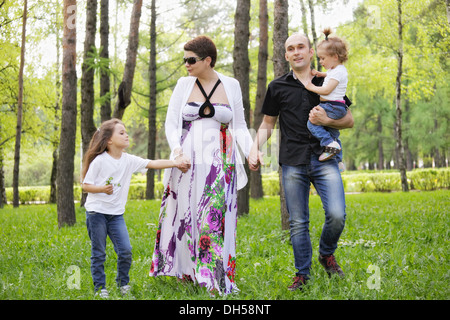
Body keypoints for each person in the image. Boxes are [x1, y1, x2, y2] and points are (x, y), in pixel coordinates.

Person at [248, 33, 354, 291]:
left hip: (324, 158)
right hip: (293, 161)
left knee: (337, 215)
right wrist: (253, 148)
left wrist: (326, 121)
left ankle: (326, 253)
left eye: (301, 47)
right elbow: (268, 123)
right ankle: (302, 274)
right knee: (298, 223)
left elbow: (348, 119)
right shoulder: (277, 86)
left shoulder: (328, 79)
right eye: (290, 49)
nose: (296, 52)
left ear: (310, 53)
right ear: (286, 55)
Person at [149, 35, 253, 295]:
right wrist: (177, 153)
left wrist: (251, 151)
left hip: (220, 160)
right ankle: (186, 271)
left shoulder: (231, 85)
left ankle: (214, 276)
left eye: (191, 60)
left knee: (215, 217)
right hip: (187, 161)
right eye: (184, 59)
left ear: (208, 60)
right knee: (184, 216)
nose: (186, 64)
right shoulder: (184, 84)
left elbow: (238, 125)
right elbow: (172, 123)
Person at [81, 118, 190, 298]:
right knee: (99, 253)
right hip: (96, 214)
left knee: (125, 250)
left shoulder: (128, 160)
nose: (127, 135)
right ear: (109, 140)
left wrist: (176, 163)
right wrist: (101, 189)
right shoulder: (100, 161)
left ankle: (123, 283)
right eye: (121, 133)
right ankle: (100, 288)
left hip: (116, 215)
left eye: (126, 132)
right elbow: (86, 185)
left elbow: (153, 163)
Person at [305, 28, 349, 166]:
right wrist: (321, 74)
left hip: (332, 106)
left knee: (312, 123)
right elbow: (330, 76)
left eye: (323, 58)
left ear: (335, 57)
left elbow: (326, 89)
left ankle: (329, 144)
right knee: (333, 132)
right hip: (337, 106)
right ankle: (338, 160)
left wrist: (310, 87)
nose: (321, 61)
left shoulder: (337, 73)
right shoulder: (336, 70)